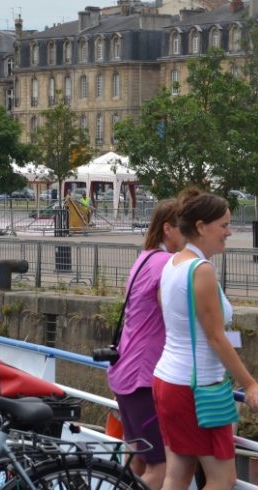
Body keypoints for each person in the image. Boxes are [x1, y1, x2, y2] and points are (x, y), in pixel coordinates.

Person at [153, 190, 258, 490]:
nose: (229, 232)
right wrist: (250, 383)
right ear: (201, 227)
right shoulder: (200, 271)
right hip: (196, 388)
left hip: (168, 380)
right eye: (224, 225)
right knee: (223, 479)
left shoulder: (173, 262)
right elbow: (216, 338)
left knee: (177, 474)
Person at [106, 199, 184, 490]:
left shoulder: (145, 258)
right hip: (144, 377)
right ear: (168, 229)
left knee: (138, 462)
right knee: (160, 468)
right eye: (183, 228)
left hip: (125, 372)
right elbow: (175, 318)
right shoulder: (165, 264)